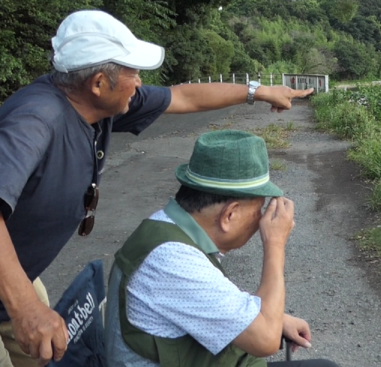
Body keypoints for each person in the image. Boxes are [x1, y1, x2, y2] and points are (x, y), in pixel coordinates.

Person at [0, 10, 313, 367]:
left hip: (8, 274)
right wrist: (25, 308)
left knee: (45, 357)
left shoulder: (102, 105)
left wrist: (257, 92)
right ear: (98, 81)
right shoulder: (35, 122)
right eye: (132, 72)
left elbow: (183, 96)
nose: (139, 82)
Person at [105, 130, 336, 367]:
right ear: (230, 214)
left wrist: (277, 318)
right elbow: (265, 339)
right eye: (258, 210)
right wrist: (275, 245)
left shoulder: (168, 227)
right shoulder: (171, 259)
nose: (260, 220)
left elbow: (206, 299)